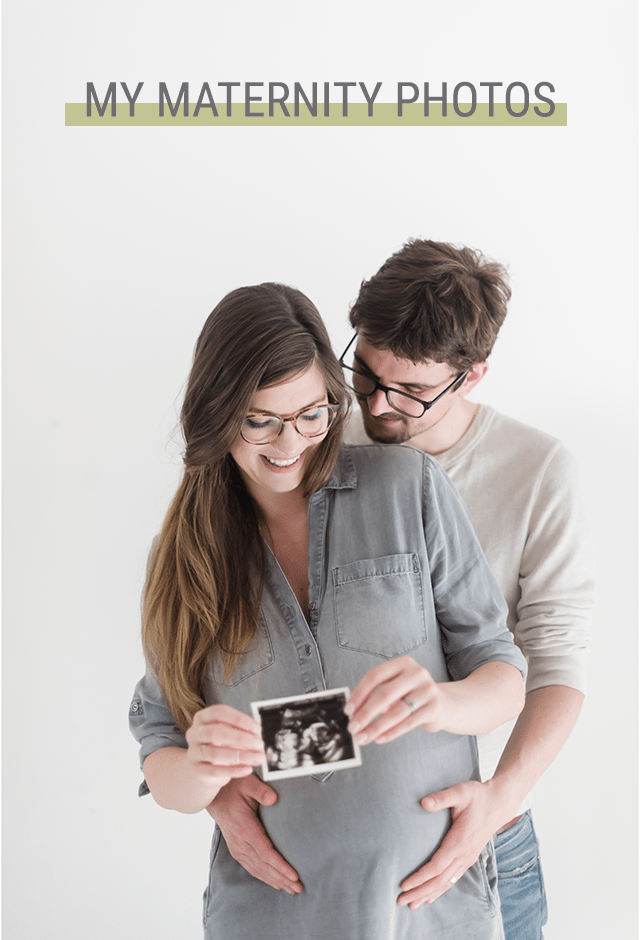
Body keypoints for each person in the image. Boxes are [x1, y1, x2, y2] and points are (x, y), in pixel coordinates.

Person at [209, 246, 594, 940]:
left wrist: (497, 802)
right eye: (366, 370)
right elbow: (274, 663)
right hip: (313, 846)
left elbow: (552, 666)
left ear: (472, 375)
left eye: (410, 389)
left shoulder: (536, 470)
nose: (377, 403)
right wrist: (219, 785)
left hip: (484, 828)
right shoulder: (311, 438)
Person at [129, 281, 526, 940]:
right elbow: (159, 742)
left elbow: (503, 675)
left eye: (313, 414)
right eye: (260, 420)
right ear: (218, 412)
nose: (291, 443)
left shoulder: (408, 487)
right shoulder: (180, 559)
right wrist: (198, 769)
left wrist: (440, 702)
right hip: (271, 916)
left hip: (431, 914)